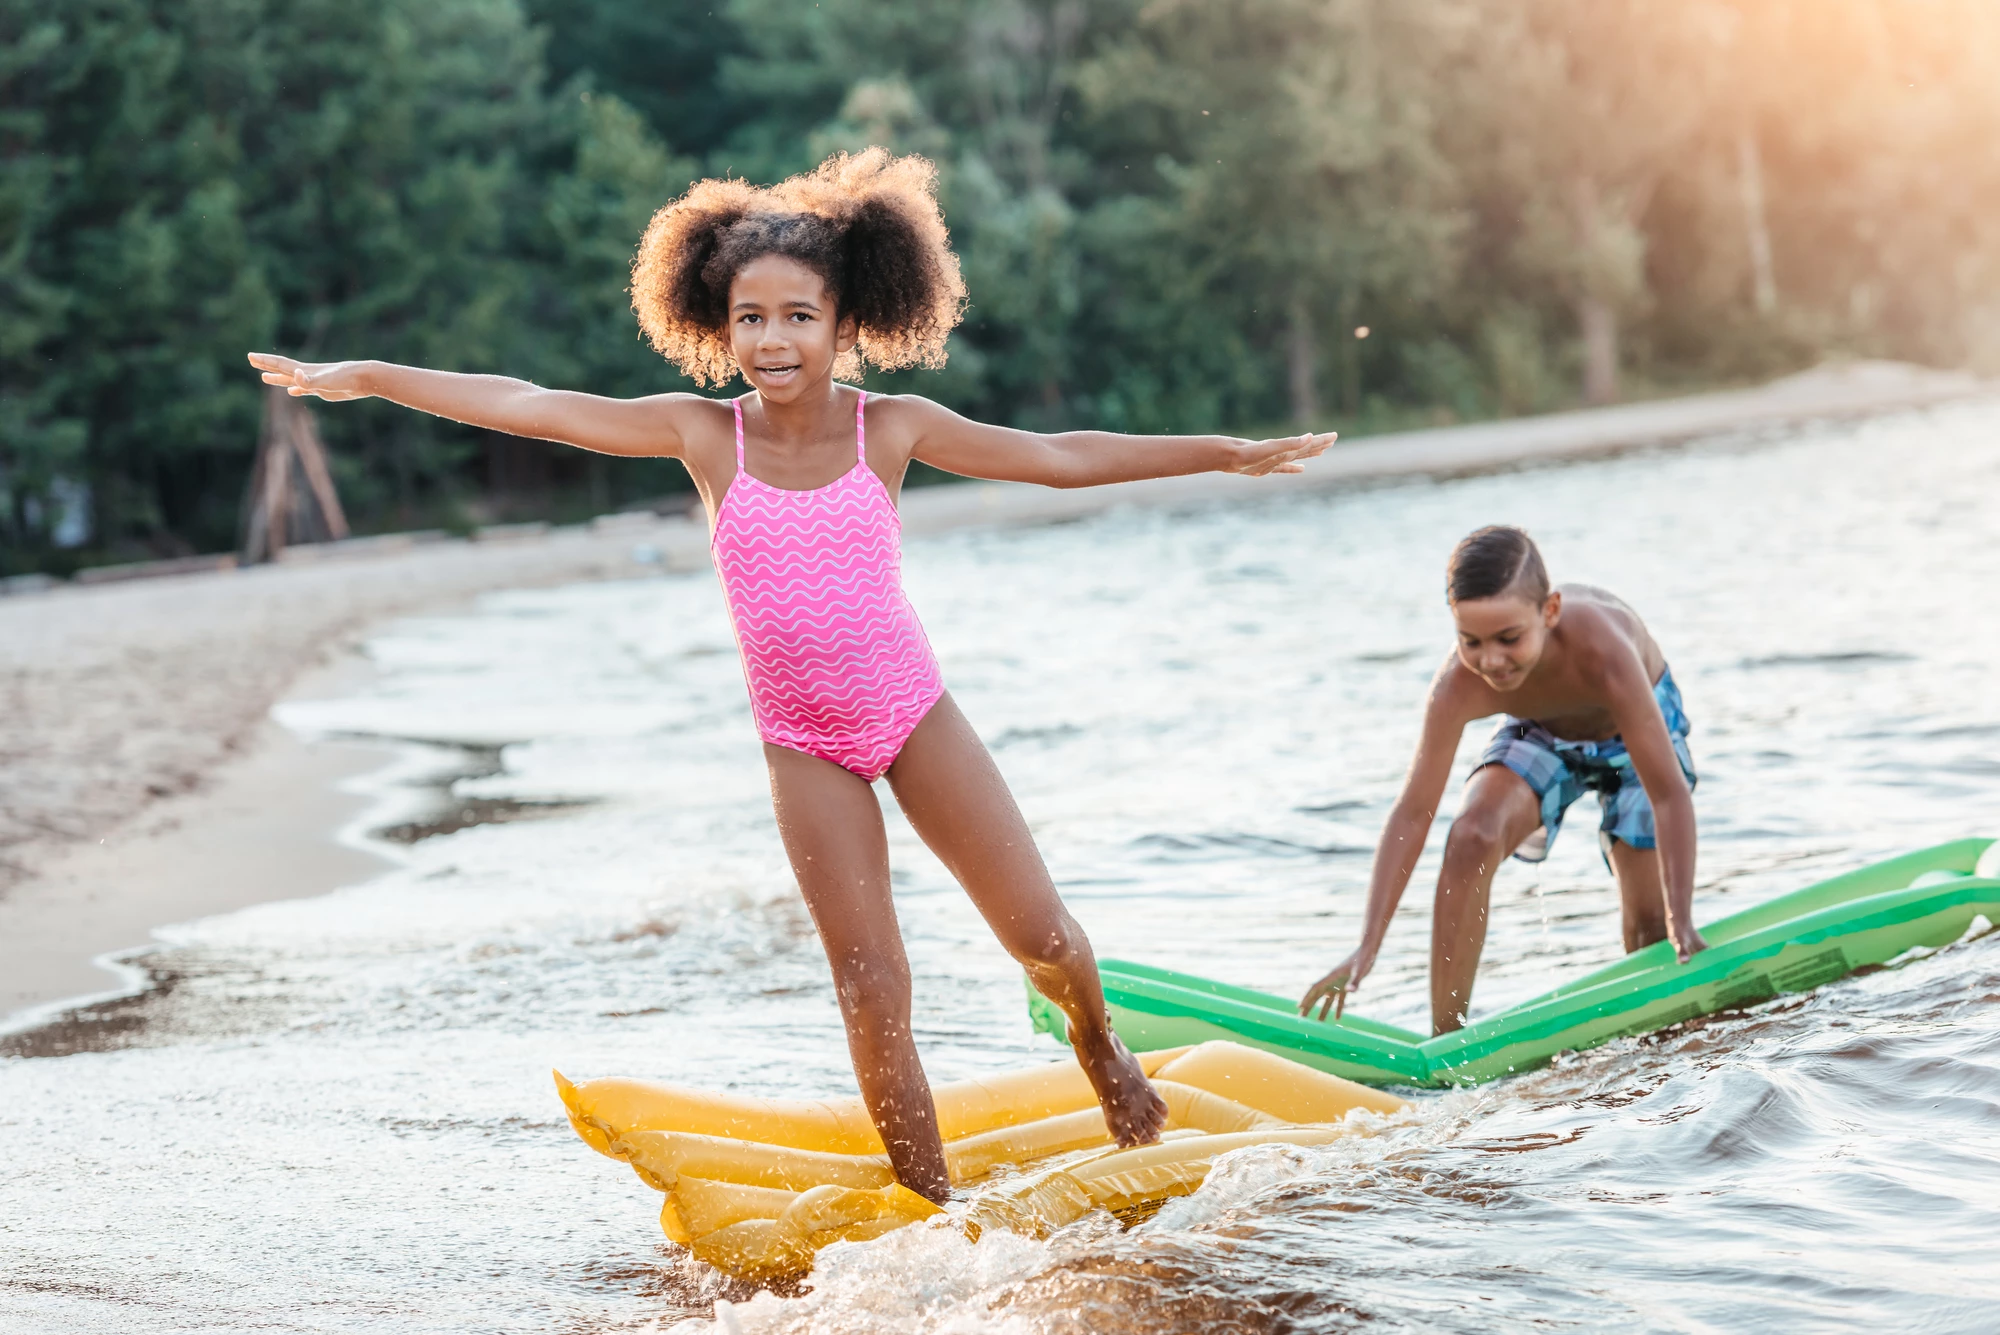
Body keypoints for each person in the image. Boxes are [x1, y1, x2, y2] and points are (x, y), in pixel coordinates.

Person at [249, 149, 1334, 1202]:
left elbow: (1056, 458)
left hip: (912, 717)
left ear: (844, 325)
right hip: (803, 743)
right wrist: (372, 378)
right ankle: (933, 1207)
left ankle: (1102, 1054)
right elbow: (528, 403)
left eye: (797, 317)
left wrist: (1222, 451)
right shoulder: (702, 437)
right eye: (749, 320)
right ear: (717, 333)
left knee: (1042, 938)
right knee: (871, 986)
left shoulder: (893, 429)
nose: (772, 340)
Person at [1299, 525, 1705, 1036]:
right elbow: (1413, 810)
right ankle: (1448, 1041)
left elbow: (1668, 795)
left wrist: (1682, 920)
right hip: (1539, 730)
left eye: (1509, 639)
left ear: (1550, 611)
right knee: (1471, 835)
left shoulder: (1605, 652)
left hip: (1632, 733)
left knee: (1650, 931)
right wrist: (1367, 945)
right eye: (1471, 641)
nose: (1490, 660)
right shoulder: (1460, 684)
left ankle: (1660, 1047)